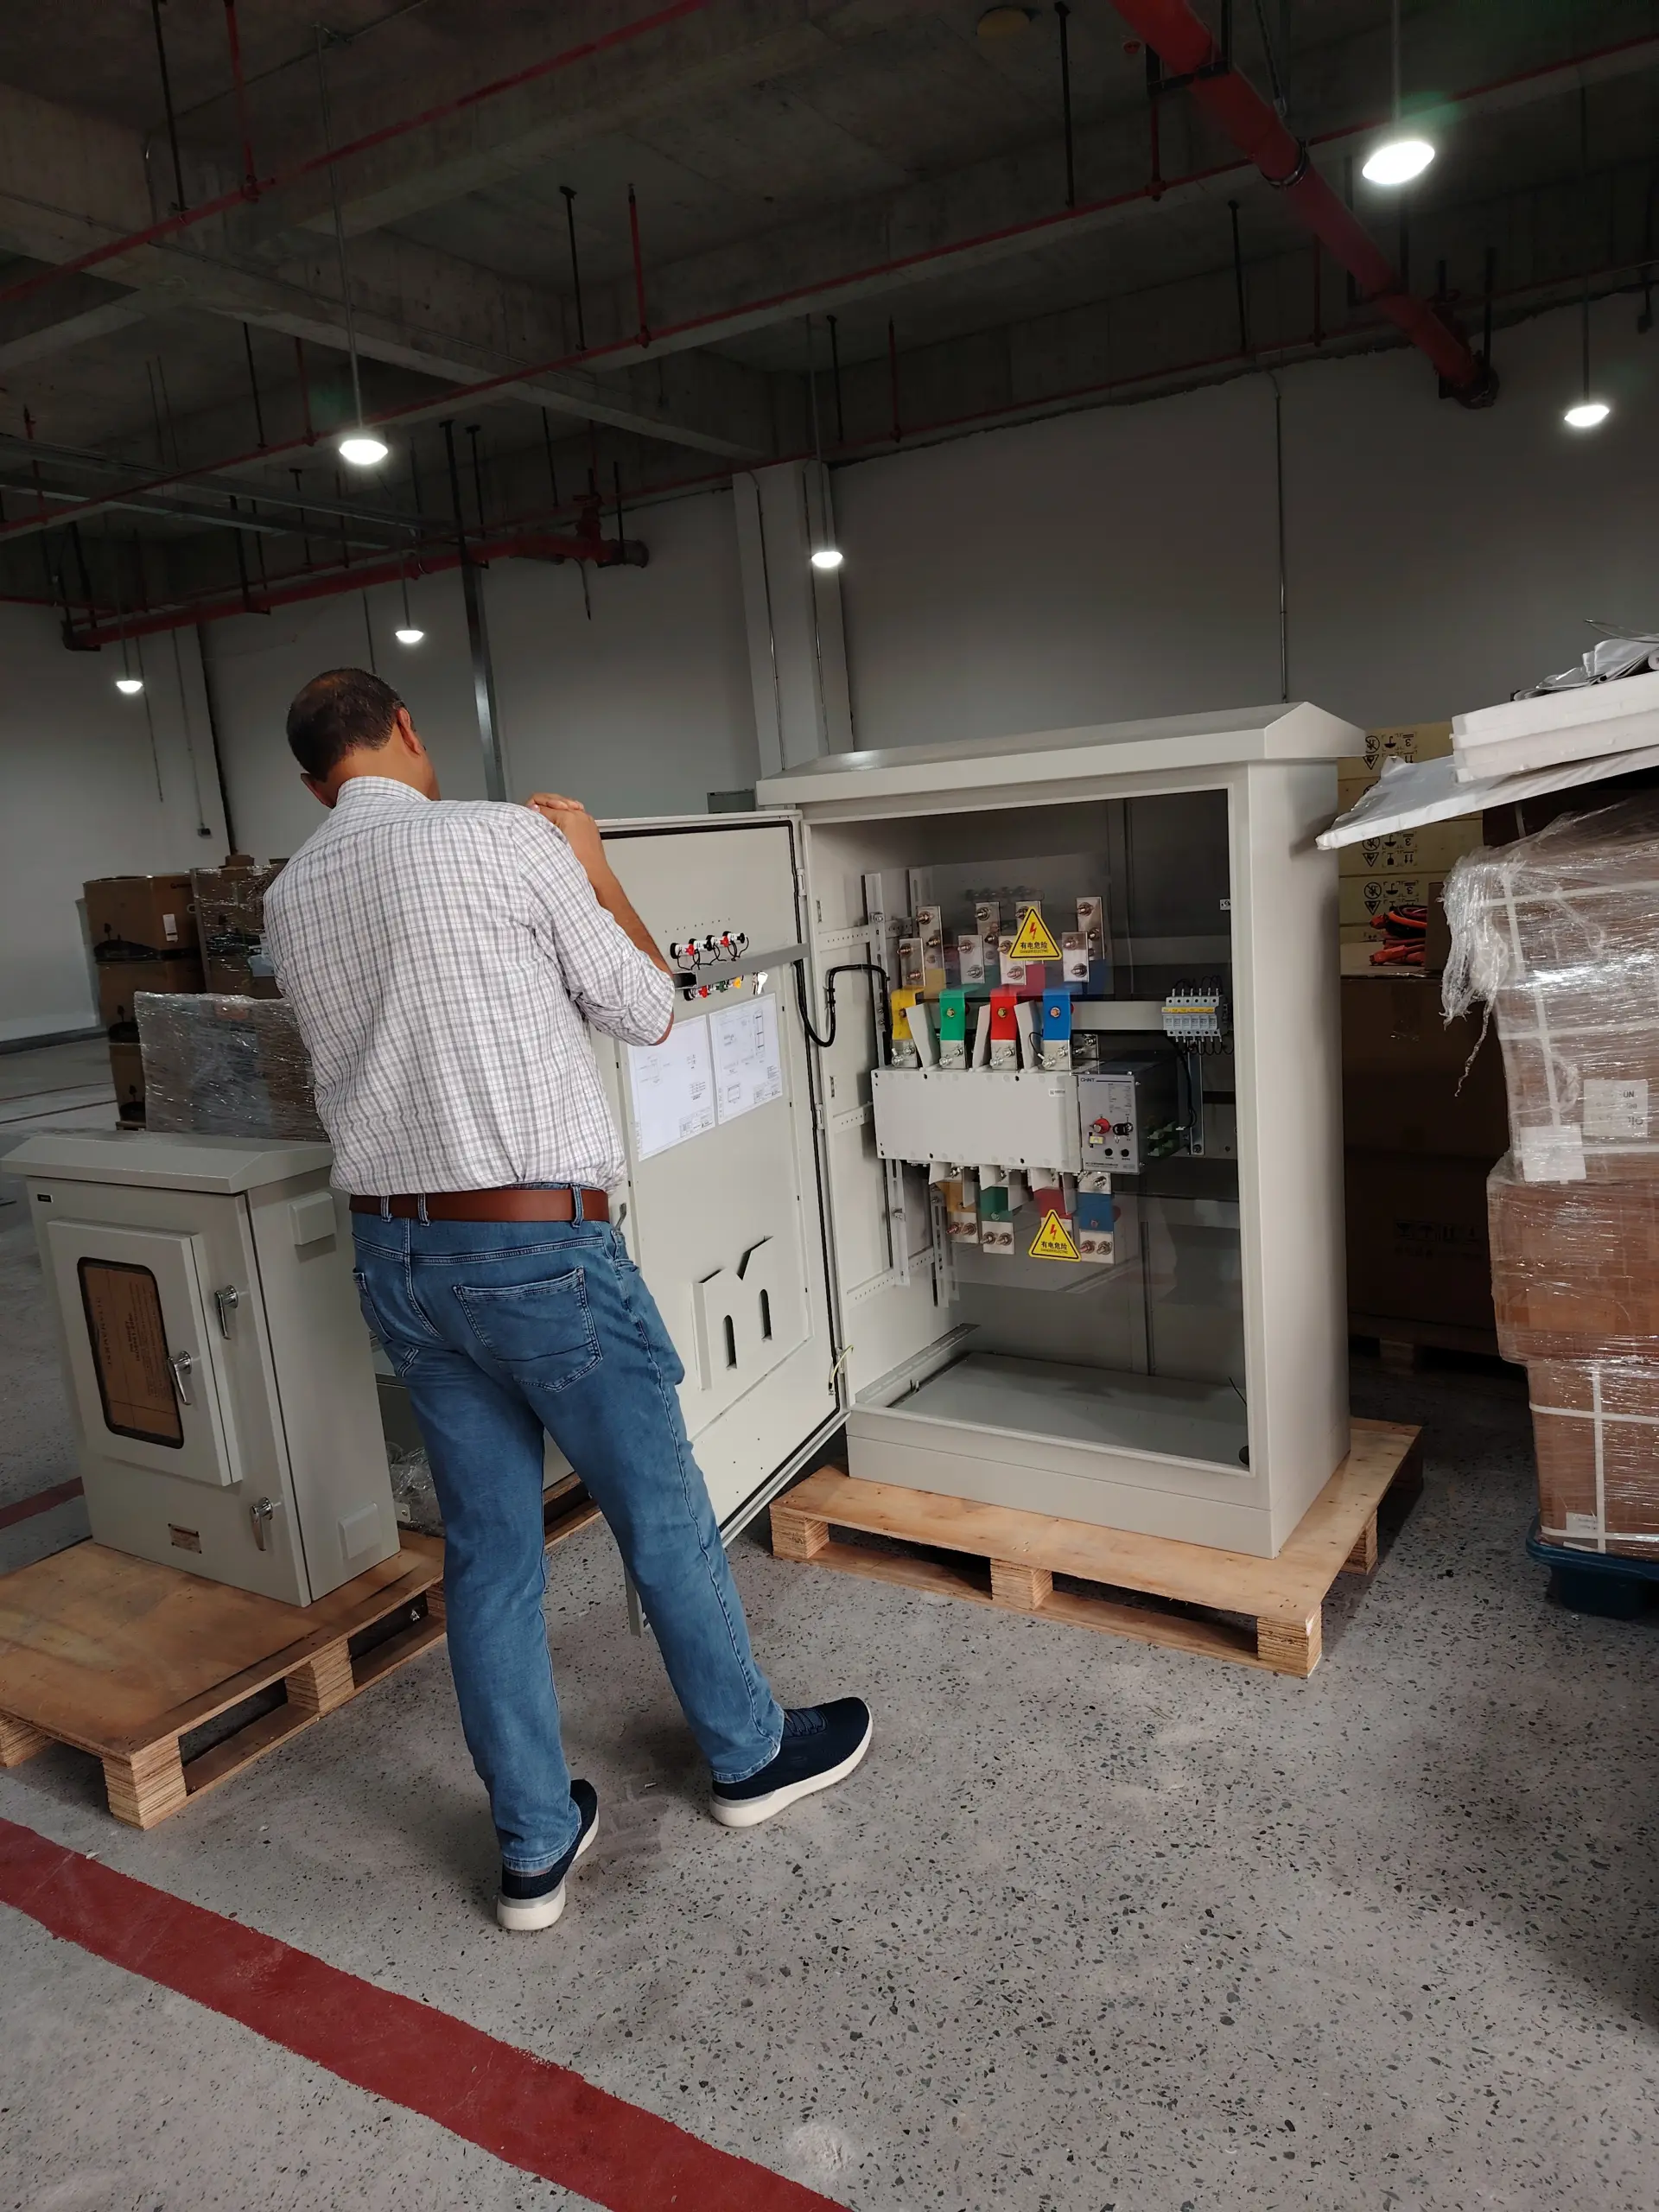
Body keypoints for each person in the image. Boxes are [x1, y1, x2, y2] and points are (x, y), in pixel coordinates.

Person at [263, 670, 869, 1932]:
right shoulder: (503, 837)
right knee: (659, 1510)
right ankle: (751, 1756)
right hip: (536, 1252)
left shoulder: (290, 895)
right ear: (410, 732)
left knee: (489, 1555)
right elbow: (651, 1007)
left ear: (312, 779)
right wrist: (592, 862)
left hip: (398, 1264)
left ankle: (535, 1845)